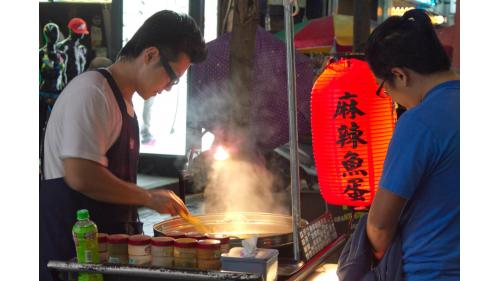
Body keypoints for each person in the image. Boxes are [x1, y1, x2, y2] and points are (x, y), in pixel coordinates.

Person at [40, 10, 207, 281]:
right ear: (150, 55)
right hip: (72, 257)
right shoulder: (93, 92)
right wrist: (149, 197)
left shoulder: (125, 104)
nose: (168, 88)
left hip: (103, 258)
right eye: (172, 77)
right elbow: (81, 174)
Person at [364, 9, 459, 281]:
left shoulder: (420, 122)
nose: (392, 98)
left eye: (385, 88)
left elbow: (380, 226)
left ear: (400, 75)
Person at [57, 17, 89, 85]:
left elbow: (84, 68)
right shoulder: (62, 47)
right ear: (71, 31)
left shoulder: (83, 49)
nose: (81, 34)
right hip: (66, 85)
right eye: (79, 32)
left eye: (82, 32)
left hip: (80, 84)